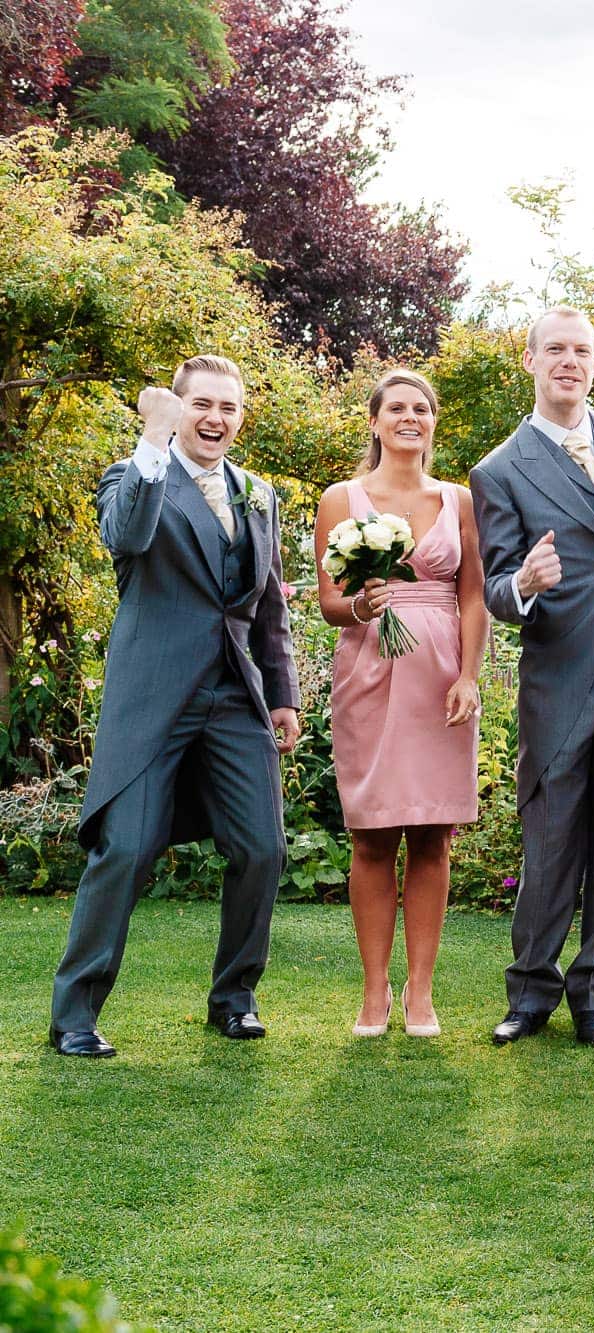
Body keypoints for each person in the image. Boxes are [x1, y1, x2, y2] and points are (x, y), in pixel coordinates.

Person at [49, 355, 301, 1057]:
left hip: (234, 696)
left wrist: (282, 696)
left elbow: (269, 607)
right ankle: (75, 1014)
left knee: (262, 846)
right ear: (177, 410)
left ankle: (234, 998)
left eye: (229, 406)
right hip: (153, 696)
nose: (216, 418)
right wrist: (152, 442)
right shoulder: (132, 477)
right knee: (125, 848)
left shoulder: (259, 494)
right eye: (202, 405)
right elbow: (126, 537)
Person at [469, 307, 594, 1047]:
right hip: (560, 672)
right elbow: (492, 587)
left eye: (581, 350)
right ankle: (530, 992)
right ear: (530, 362)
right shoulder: (498, 469)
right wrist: (523, 580)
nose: (569, 361)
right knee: (550, 836)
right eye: (555, 349)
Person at [313, 369, 487, 1039]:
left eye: (421, 408)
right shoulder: (341, 497)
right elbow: (331, 601)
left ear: (432, 421)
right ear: (375, 422)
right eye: (397, 408)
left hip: (440, 674)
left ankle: (421, 990)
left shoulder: (460, 500)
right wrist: (361, 602)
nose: (409, 417)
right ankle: (373, 989)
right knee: (372, 836)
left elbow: (472, 594)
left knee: (432, 836)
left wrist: (470, 675)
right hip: (369, 669)